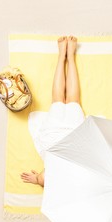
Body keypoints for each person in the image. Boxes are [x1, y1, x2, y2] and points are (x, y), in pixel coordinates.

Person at [20, 35, 86, 187]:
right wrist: (38, 179)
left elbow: (43, 178)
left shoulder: (72, 182)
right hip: (64, 136)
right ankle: (65, 55)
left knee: (70, 101)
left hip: (69, 135)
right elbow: (43, 178)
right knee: (62, 101)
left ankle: (67, 56)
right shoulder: (70, 182)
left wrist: (38, 179)